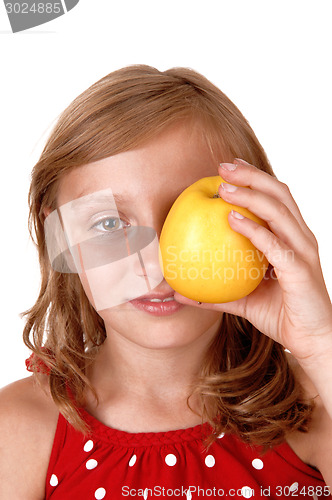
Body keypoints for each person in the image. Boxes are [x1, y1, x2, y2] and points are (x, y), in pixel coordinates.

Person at [0, 65, 331, 500]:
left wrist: (322, 344)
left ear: (260, 218)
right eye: (108, 223)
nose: (156, 260)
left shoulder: (315, 407)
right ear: (61, 237)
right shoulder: (20, 428)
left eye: (183, 216)